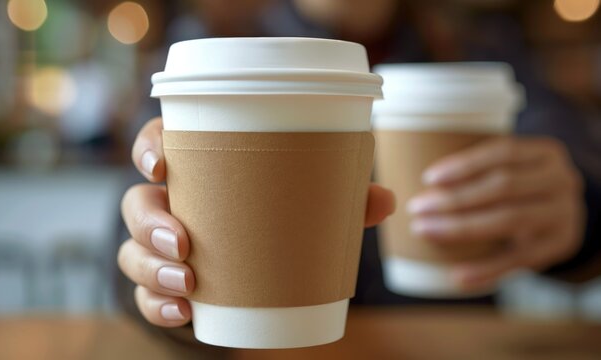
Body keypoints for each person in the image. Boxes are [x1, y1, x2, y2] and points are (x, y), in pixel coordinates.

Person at [115, 0, 600, 357]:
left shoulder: (480, 43)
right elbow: (128, 233)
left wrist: (578, 207)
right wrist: (158, 272)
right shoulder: (209, 41)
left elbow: (573, 157)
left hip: (451, 342)